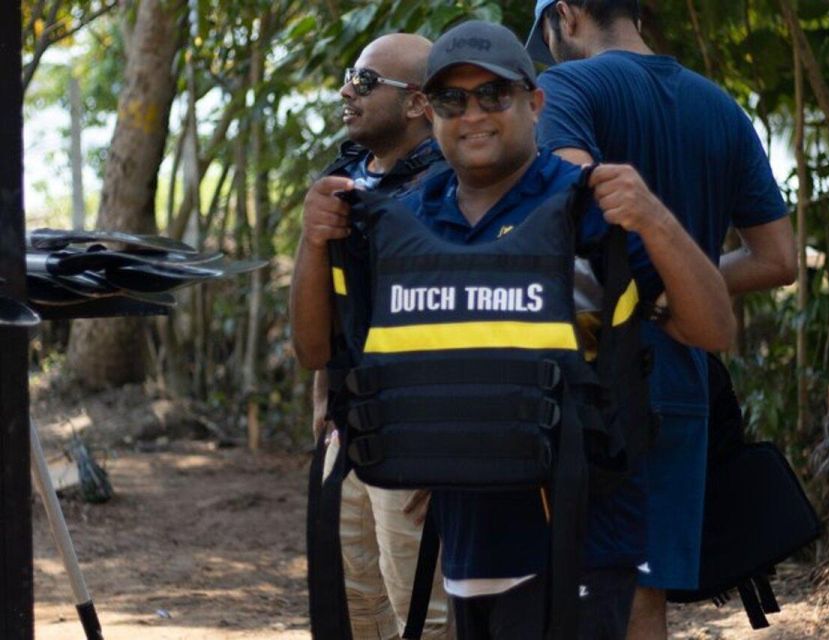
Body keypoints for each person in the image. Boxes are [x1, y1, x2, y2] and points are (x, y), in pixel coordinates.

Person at [302, 20, 736, 640]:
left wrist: (655, 221)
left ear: (534, 103)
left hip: (581, 538)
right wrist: (312, 244)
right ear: (430, 110)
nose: (473, 113)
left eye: (493, 95)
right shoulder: (405, 224)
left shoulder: (588, 209)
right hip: (467, 542)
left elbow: (712, 329)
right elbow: (316, 350)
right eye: (453, 98)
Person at [525, 2, 797, 638]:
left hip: (586, 377)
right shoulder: (719, 106)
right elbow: (777, 258)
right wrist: (679, 288)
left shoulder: (564, 87)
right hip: (681, 374)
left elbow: (566, 208)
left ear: (564, 14)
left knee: (562, 583)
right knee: (644, 589)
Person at [290, 33, 449, 640]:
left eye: (363, 80)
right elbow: (328, 307)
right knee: (354, 607)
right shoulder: (344, 178)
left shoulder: (447, 187)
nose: (345, 91)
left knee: (425, 615)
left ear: (416, 104)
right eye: (348, 76)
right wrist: (323, 389)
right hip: (350, 424)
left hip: (416, 433)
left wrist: (447, 448)